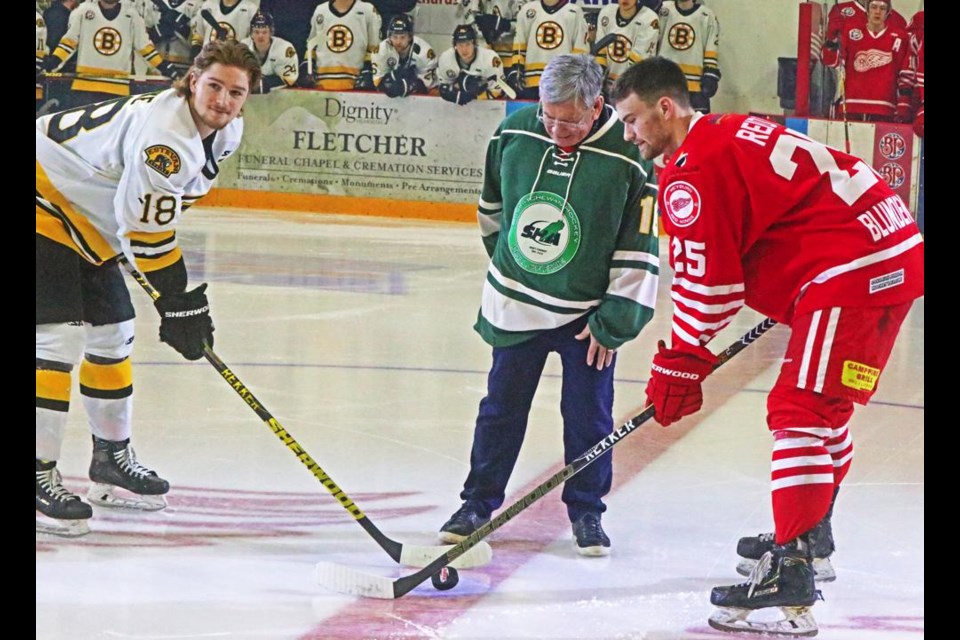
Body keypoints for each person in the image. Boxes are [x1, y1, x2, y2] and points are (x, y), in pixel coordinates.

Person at [610, 56, 924, 636]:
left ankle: (793, 568)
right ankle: (810, 534)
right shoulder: (728, 129)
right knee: (825, 411)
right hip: (891, 254)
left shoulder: (692, 169)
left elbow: (710, 287)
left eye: (632, 121)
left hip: (853, 271)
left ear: (664, 108)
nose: (629, 134)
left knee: (800, 411)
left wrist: (681, 362)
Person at [36, 40, 262, 538]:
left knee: (113, 334)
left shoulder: (225, 131)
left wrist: (174, 299)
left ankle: (110, 461)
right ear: (192, 81)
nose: (223, 100)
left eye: (236, 92)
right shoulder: (167, 139)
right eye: (214, 86)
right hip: (42, 201)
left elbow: (144, 218)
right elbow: (146, 232)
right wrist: (177, 301)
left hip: (83, 218)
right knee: (55, 340)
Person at [438, 54, 660, 557]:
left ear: (597, 106)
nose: (557, 128)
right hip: (518, 304)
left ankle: (586, 511)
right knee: (500, 408)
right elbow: (492, 208)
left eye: (571, 119)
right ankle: (476, 503)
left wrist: (615, 320)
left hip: (589, 316)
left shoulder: (630, 157)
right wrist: (510, 272)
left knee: (589, 415)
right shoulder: (515, 133)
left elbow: (640, 243)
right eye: (549, 116)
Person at [41, 0, 180, 103]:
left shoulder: (132, 15)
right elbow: (69, 42)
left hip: (118, 89)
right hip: (85, 86)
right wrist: (53, 62)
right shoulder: (83, 11)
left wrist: (163, 66)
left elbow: (144, 47)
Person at [820, 0, 911, 123]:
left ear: (889, 13)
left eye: (882, 8)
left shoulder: (901, 37)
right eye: (873, 7)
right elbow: (830, 61)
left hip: (885, 106)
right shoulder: (851, 33)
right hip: (851, 104)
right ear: (867, 11)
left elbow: (905, 72)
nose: (877, 12)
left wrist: (904, 103)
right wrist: (832, 38)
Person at [509, 0, 590, 100]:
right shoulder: (527, 10)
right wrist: (517, 67)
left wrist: (572, 78)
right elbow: (520, 42)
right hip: (530, 80)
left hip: (560, 83)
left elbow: (580, 50)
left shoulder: (574, 12)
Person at [656, 0, 720, 113]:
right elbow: (653, 41)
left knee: (696, 128)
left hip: (695, 86)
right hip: (664, 83)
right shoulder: (663, 10)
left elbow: (711, 47)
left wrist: (710, 75)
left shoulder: (707, 15)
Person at [305, 0, 381, 91]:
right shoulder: (320, 10)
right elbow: (312, 45)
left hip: (356, 86)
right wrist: (307, 64)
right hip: (321, 85)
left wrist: (369, 68)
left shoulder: (367, 10)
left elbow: (375, 47)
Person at [593, 0, 660, 97]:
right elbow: (601, 53)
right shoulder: (607, 12)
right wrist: (598, 83)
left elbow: (638, 62)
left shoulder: (649, 18)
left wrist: (621, 90)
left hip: (635, 88)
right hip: (607, 88)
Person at [437, 23, 508, 105]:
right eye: (460, 45)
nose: (464, 49)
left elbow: (498, 92)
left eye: (468, 44)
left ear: (474, 43)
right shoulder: (446, 59)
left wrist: (475, 96)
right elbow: (443, 88)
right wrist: (457, 96)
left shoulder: (490, 59)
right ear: (455, 45)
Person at [372, 14, 437, 98]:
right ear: (389, 37)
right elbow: (378, 82)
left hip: (417, 94)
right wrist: (390, 83)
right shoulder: (381, 51)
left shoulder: (425, 53)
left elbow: (429, 87)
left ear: (410, 37)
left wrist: (410, 85)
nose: (398, 42)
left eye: (402, 37)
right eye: (395, 37)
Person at [240, 10, 298, 92]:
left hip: (279, 94)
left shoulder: (284, 48)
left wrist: (262, 84)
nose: (260, 36)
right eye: (256, 32)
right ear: (251, 34)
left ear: (271, 33)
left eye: (264, 32)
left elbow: (290, 80)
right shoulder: (243, 47)